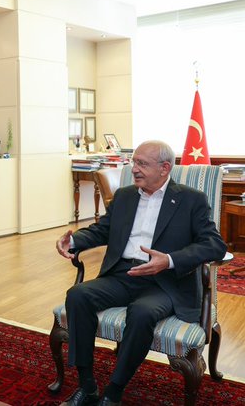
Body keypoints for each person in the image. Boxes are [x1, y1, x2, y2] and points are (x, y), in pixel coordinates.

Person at [55, 140, 226, 406]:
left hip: (164, 282)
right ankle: (87, 386)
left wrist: (168, 260)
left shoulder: (191, 199)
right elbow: (103, 230)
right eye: (134, 162)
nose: (134, 169)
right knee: (78, 295)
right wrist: (74, 241)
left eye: (142, 164)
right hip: (123, 274)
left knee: (142, 312)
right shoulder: (125, 196)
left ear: (164, 168)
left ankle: (114, 392)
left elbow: (214, 245)